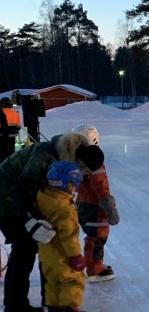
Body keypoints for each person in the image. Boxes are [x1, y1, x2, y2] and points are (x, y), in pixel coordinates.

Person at [0, 131, 103, 312]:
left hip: (30, 197)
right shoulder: (47, 156)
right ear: (77, 159)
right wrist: (29, 221)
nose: (82, 175)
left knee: (48, 246)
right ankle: (15, 306)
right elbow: (21, 190)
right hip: (6, 195)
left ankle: (53, 303)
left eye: (86, 173)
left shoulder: (69, 161)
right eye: (82, 169)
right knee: (24, 248)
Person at [72, 124, 120, 284]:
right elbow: (101, 186)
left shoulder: (75, 160)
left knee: (93, 235)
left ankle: (93, 266)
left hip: (82, 204)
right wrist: (109, 207)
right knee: (97, 236)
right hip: (94, 206)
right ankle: (95, 269)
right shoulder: (94, 161)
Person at [37, 161, 86, 312]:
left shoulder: (42, 196)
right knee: (73, 279)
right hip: (62, 253)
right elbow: (69, 236)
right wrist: (75, 256)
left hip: (45, 252)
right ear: (68, 184)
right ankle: (71, 307)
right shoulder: (65, 209)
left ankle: (54, 306)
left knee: (52, 280)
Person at [0, 96, 21, 164]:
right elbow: (18, 126)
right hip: (12, 137)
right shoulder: (15, 113)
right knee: (11, 155)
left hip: (2, 137)